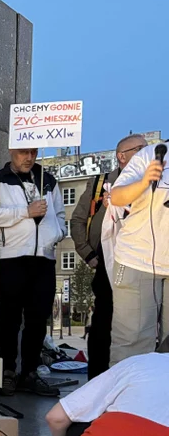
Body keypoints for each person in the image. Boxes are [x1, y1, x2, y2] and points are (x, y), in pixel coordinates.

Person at [0, 147, 65, 397]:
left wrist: (55, 235)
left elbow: (59, 214)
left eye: (33, 152)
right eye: (23, 152)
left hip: (44, 258)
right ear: (12, 151)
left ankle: (30, 372)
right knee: (10, 318)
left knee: (38, 319)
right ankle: (6, 372)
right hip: (12, 257)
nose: (29, 157)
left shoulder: (48, 180)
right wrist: (24, 213)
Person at [71, 134, 148, 378]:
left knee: (140, 325)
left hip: (144, 263)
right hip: (107, 263)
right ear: (121, 156)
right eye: (140, 149)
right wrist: (88, 254)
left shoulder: (153, 182)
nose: (146, 152)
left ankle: (136, 378)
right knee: (105, 320)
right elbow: (77, 220)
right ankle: (98, 378)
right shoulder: (100, 183)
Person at [106, 139, 169, 364]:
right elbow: (118, 196)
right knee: (132, 347)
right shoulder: (151, 154)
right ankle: (126, 398)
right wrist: (144, 181)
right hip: (138, 260)